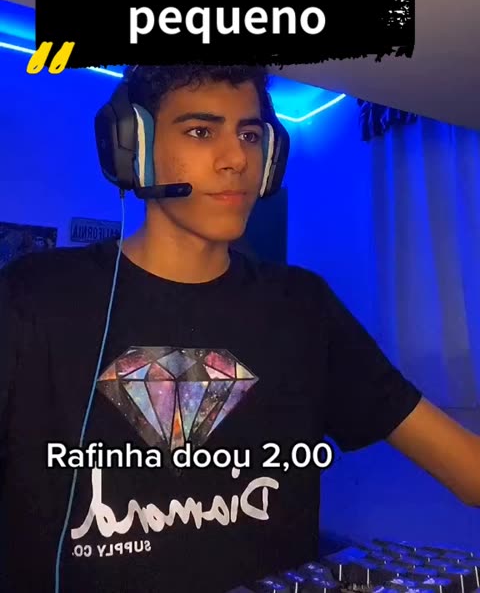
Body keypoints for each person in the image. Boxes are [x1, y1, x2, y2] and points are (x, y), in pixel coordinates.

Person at [0, 64, 478, 593]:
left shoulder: (303, 307)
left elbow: (469, 469)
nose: (236, 159)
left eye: (250, 135)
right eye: (201, 131)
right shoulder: (34, 294)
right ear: (133, 146)